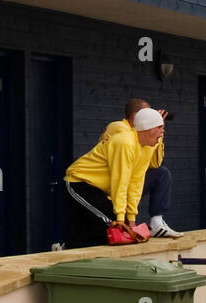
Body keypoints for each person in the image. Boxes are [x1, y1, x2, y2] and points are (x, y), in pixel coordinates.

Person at [64, 108, 165, 246]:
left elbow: (136, 182)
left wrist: (131, 218)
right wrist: (121, 218)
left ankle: (67, 247)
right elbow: (120, 181)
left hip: (99, 189)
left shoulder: (148, 147)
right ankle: (68, 248)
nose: (162, 132)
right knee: (113, 226)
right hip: (79, 182)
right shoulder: (124, 143)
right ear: (147, 128)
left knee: (104, 229)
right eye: (160, 127)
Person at [102, 98, 182, 237]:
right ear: (136, 116)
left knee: (162, 173)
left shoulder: (144, 136)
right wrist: (152, 127)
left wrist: (157, 132)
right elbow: (121, 173)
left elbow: (155, 164)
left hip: (129, 181)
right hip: (110, 183)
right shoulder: (117, 128)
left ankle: (156, 222)